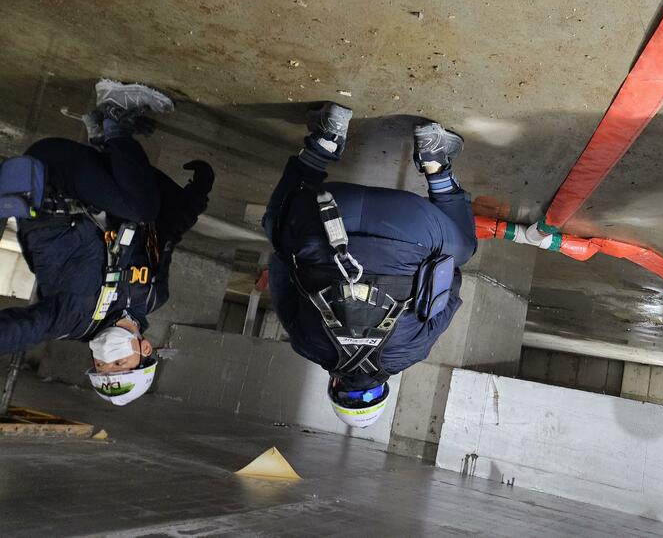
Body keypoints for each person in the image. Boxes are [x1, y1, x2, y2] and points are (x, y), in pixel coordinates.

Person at [263, 102, 477, 429]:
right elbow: (279, 268)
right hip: (328, 211)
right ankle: (325, 141)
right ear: (334, 386)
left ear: (384, 391)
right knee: (276, 230)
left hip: (411, 223)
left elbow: (452, 285)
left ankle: (435, 159)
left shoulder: (413, 353)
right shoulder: (306, 346)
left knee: (462, 249)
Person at [0, 79, 214, 406]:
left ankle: (115, 111)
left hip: (54, 176)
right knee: (159, 207)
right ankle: (103, 132)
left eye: (101, 366)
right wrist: (197, 197)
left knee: (140, 207)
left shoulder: (70, 320)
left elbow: (21, 329)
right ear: (144, 349)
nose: (106, 359)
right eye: (120, 363)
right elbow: (165, 237)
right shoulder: (152, 296)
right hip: (91, 184)